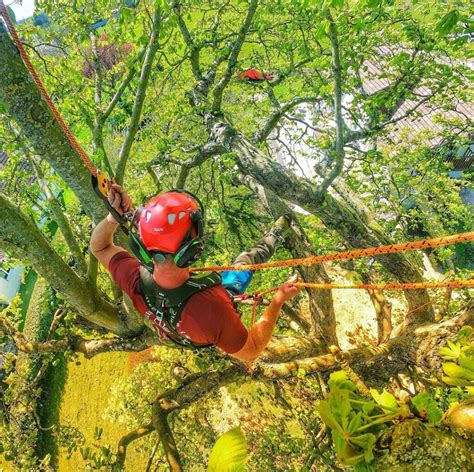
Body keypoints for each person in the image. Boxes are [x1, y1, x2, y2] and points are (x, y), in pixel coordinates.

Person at [90, 184, 300, 362]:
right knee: (245, 262)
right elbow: (252, 350)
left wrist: (113, 218)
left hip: (180, 331)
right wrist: (278, 300)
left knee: (244, 264)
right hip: (210, 317)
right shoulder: (212, 309)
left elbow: (99, 248)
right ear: (193, 250)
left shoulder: (133, 279)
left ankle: (275, 236)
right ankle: (274, 237)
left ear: (143, 248)